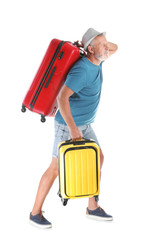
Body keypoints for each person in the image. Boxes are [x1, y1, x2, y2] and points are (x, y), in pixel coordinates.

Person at [29, 28, 118, 228]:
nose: (108, 47)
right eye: (103, 44)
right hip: (68, 125)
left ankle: (92, 207)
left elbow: (115, 48)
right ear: (92, 50)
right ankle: (35, 213)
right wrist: (72, 129)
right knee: (55, 168)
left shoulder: (98, 60)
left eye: (105, 43)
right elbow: (62, 98)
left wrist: (96, 45)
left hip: (84, 124)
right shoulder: (82, 70)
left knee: (99, 157)